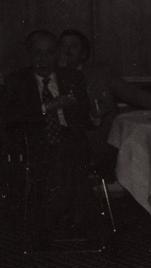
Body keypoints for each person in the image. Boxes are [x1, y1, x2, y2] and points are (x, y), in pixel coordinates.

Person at [3, 30, 106, 247]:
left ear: (57, 54)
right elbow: (9, 119)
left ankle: (65, 223)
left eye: (49, 53)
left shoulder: (72, 78)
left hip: (68, 138)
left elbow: (83, 119)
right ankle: (70, 223)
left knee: (69, 152)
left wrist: (95, 117)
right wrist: (45, 107)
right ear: (29, 54)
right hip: (34, 140)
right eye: (37, 53)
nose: (42, 59)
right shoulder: (16, 81)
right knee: (61, 159)